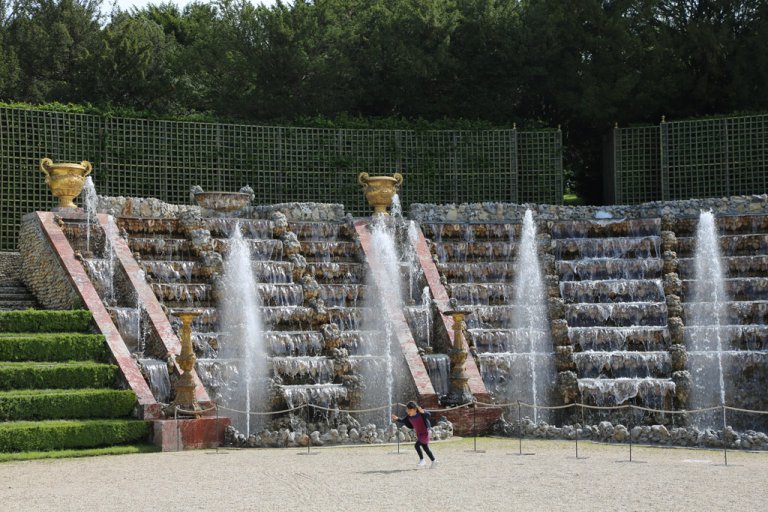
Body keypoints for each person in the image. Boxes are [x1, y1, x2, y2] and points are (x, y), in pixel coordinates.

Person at [391, 401, 439, 468]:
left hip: (425, 433)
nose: (408, 411)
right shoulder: (409, 417)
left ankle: (422, 460)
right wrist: (397, 419)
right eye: (407, 410)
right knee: (426, 448)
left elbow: (428, 415)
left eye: (409, 410)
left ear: (415, 409)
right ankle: (434, 461)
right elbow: (403, 420)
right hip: (419, 434)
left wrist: (423, 412)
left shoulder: (421, 414)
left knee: (417, 445)